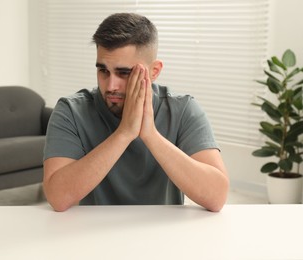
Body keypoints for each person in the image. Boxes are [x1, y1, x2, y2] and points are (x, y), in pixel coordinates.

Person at [43, 13, 229, 212]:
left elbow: (217, 197)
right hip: (93, 234)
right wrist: (124, 133)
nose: (111, 85)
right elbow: (58, 198)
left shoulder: (183, 109)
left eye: (124, 73)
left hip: (164, 233)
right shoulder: (71, 111)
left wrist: (151, 135)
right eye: (103, 71)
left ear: (154, 71)